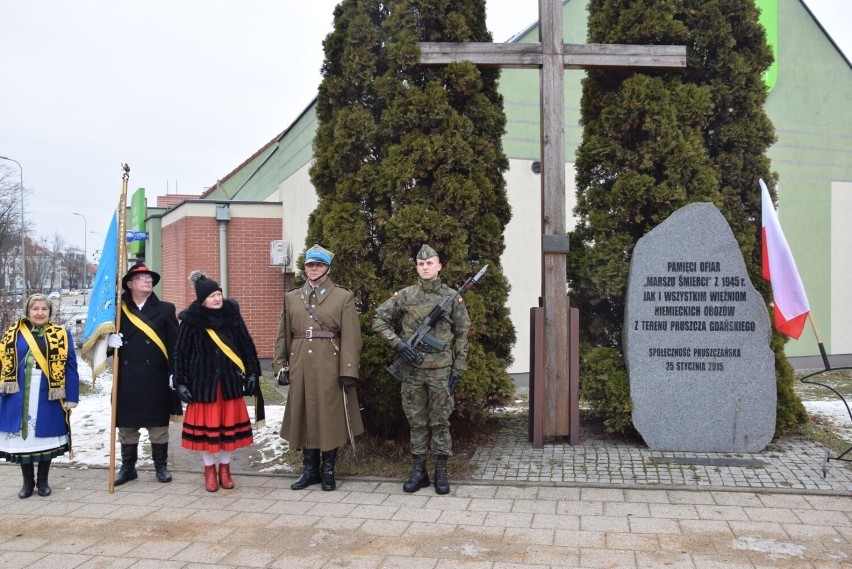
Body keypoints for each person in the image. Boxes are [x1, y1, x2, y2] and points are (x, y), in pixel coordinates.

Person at [372, 244, 470, 495]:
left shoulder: (452, 298)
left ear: (439, 266)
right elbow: (378, 319)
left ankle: (441, 472)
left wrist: (458, 368)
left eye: (430, 263)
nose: (425, 267)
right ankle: (419, 472)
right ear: (417, 267)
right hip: (412, 371)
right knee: (416, 422)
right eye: (421, 264)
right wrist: (399, 344)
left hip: (440, 371)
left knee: (440, 421)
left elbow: (462, 335)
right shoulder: (405, 295)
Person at [272, 244, 363, 491]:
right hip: (301, 364)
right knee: (304, 416)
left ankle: (329, 470)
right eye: (310, 265)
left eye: (319, 265)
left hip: (329, 365)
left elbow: (352, 337)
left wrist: (348, 369)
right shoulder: (292, 297)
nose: (314, 269)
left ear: (328, 268)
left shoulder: (343, 297)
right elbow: (284, 334)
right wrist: (281, 364)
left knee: (329, 418)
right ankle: (309, 470)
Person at [173, 271, 261, 492]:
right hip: (203, 386)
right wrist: (181, 383)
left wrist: (252, 373)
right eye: (211, 295)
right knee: (208, 434)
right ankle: (209, 470)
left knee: (228, 431)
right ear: (202, 299)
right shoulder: (191, 320)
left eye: (218, 293)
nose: (217, 298)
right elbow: (180, 353)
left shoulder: (232, 315)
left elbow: (246, 345)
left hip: (229, 383)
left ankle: (225, 468)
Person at [0, 294, 80, 498]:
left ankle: (43, 481)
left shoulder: (62, 333)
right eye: (35, 309)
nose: (40, 313)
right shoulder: (13, 333)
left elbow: (70, 365)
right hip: (18, 393)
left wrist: (71, 395)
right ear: (28, 312)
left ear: (50, 312)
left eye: (44, 309)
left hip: (48, 394)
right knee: (23, 441)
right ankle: (28, 482)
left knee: (45, 438)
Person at [107, 262, 179, 485]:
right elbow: (100, 342)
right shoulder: (118, 310)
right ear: (130, 284)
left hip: (155, 377)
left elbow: (175, 344)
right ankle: (128, 468)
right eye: (142, 278)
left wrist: (174, 373)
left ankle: (161, 467)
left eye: (150, 278)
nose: (148, 280)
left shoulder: (166, 309)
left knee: (158, 425)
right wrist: (109, 343)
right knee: (127, 426)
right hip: (127, 378)